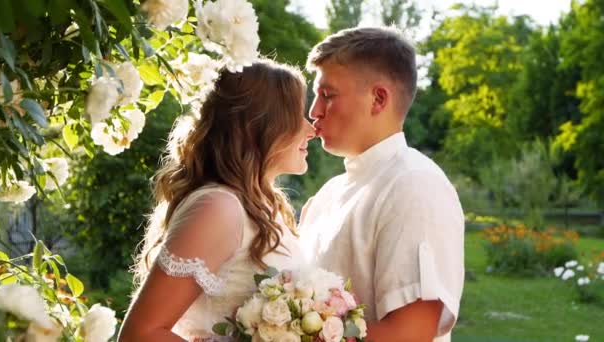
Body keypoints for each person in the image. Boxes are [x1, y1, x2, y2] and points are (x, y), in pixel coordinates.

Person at [119, 59, 315, 341]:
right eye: (296, 115)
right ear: (258, 125)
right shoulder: (218, 207)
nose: (311, 129)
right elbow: (140, 335)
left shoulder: (264, 207)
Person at [298, 26, 465, 342]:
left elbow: (409, 335)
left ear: (378, 99)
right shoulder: (328, 194)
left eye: (328, 95)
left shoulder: (415, 186)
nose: (314, 111)